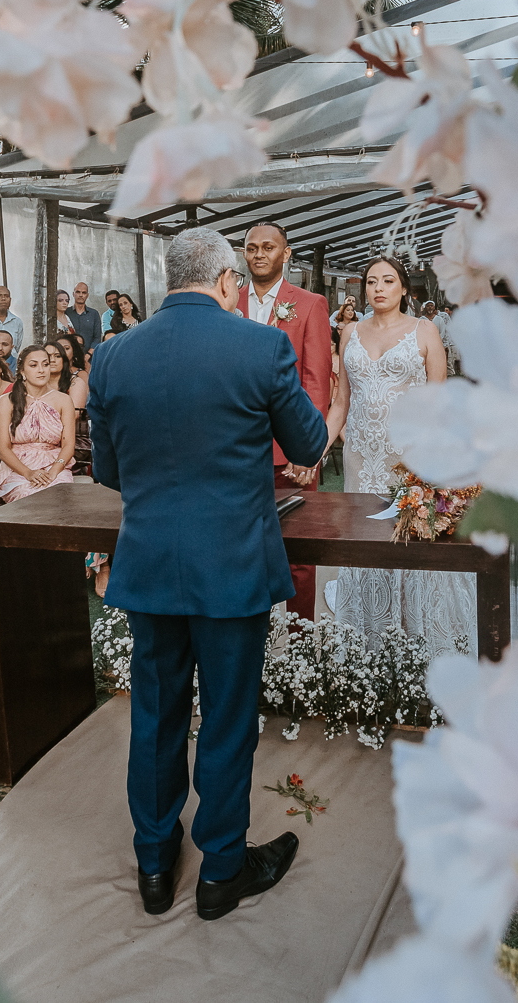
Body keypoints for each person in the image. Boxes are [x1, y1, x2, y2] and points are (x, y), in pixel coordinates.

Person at [88, 227, 327, 920]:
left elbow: (107, 470)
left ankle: (154, 866)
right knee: (226, 718)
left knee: (157, 715)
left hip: (151, 563)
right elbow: (308, 443)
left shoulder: (111, 354)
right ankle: (221, 871)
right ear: (226, 280)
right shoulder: (259, 344)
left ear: (170, 280)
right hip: (231, 566)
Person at [322, 257, 476, 658]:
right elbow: (340, 403)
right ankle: (366, 644)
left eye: (388, 280)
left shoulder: (425, 331)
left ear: (405, 288)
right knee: (363, 542)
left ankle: (415, 642)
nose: (379, 288)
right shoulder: (349, 332)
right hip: (361, 457)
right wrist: (317, 450)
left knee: (407, 540)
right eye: (372, 281)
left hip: (408, 459)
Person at [237, 221, 332, 620]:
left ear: (286, 253)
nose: (259, 254)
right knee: (238, 548)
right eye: (252, 248)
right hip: (234, 448)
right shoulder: (227, 300)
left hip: (287, 451)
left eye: (268, 247)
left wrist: (304, 449)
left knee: (297, 552)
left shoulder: (309, 304)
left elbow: (315, 381)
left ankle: (300, 645)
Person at [0, 347, 76, 501]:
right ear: (22, 371)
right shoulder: (6, 401)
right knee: (29, 497)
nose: (41, 370)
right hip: (17, 468)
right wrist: (28, 473)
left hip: (55, 465)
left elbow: (68, 446)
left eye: (45, 365)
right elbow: (3, 449)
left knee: (57, 496)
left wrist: (54, 471)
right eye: (33, 365)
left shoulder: (64, 400)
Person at [45, 339, 87, 409]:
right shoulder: (36, 383)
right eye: (48, 356)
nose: (52, 360)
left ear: (64, 360)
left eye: (57, 356)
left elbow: (74, 414)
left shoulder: (75, 383)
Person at [65, 282, 102, 356]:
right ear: (73, 294)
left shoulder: (94, 314)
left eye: (84, 293)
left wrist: (88, 355)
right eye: (78, 292)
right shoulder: (66, 312)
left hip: (89, 357)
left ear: (87, 295)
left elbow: (97, 338)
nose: (81, 295)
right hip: (69, 357)